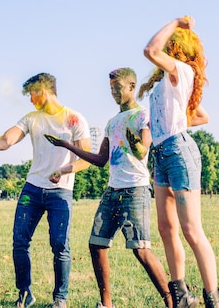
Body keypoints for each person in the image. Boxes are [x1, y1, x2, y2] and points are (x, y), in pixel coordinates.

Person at [45, 67, 172, 308]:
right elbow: (101, 160)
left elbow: (144, 148)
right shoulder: (112, 122)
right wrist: (67, 146)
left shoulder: (142, 115)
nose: (114, 93)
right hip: (112, 190)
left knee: (141, 250)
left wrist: (137, 144)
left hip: (135, 189)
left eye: (118, 88)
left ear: (132, 87)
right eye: (111, 89)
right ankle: (106, 304)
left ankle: (171, 301)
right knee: (96, 244)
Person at [0, 73, 91, 308]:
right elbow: (4, 141)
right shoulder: (32, 119)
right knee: (19, 242)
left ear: (44, 90)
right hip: (32, 189)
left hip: (60, 191)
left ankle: (60, 299)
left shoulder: (74, 119)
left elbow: (86, 158)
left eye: (32, 93)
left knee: (60, 244)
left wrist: (63, 171)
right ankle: (24, 292)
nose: (30, 99)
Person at [139, 16, 219, 308]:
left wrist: (176, 22)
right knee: (166, 229)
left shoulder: (183, 71)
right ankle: (181, 298)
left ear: (176, 46)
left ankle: (213, 300)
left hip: (179, 152)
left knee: (191, 230)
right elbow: (201, 116)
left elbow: (150, 50)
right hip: (161, 155)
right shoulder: (167, 81)